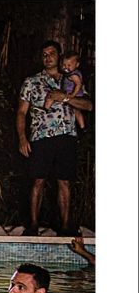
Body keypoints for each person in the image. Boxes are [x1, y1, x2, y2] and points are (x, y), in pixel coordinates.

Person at [16, 40, 93, 237]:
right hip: (41, 137)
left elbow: (88, 106)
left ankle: (66, 226)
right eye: (44, 54)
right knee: (38, 181)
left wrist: (64, 98)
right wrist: (22, 138)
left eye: (51, 53)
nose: (48, 57)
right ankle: (33, 225)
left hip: (66, 137)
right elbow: (21, 112)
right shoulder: (31, 82)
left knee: (64, 182)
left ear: (59, 56)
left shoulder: (72, 79)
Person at [60, 51, 87, 132]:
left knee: (76, 111)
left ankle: (83, 127)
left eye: (69, 65)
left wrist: (72, 95)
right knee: (73, 111)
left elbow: (78, 85)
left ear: (77, 65)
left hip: (76, 95)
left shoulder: (74, 75)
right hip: (70, 93)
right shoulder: (69, 73)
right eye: (64, 65)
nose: (66, 67)